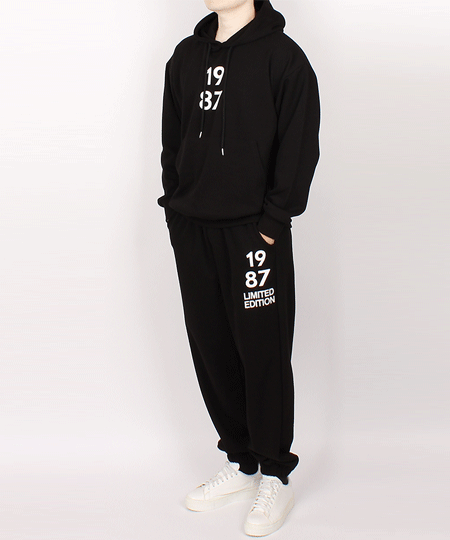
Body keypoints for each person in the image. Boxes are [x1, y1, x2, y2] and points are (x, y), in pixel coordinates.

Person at [158, 0, 320, 536]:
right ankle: (242, 461)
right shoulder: (185, 57)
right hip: (194, 230)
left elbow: (299, 143)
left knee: (262, 350)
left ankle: (275, 472)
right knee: (212, 348)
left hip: (254, 234)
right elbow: (172, 140)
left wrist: (273, 221)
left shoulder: (284, 58)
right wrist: (176, 208)